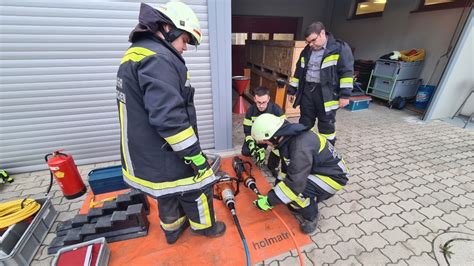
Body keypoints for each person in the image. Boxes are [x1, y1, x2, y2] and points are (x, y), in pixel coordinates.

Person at [115, 1, 225, 245]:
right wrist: (195, 156)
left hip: (149, 152)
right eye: (185, 40)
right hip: (166, 150)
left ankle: (172, 230)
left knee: (166, 191)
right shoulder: (160, 59)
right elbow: (169, 118)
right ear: (167, 28)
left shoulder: (136, 53)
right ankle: (206, 227)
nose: (184, 48)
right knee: (199, 185)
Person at [251, 114, 350, 234]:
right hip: (322, 170)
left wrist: (269, 201)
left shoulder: (300, 147)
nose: (267, 144)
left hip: (334, 177)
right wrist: (275, 190)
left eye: (266, 141)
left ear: (274, 136)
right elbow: (287, 169)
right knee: (288, 194)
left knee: (297, 193)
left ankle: (312, 216)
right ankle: (320, 194)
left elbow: (295, 185)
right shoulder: (287, 138)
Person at [287, 22, 354, 145]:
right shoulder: (307, 51)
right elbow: (298, 72)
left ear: (322, 33)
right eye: (308, 42)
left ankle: (328, 151)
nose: (311, 45)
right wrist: (292, 90)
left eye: (313, 40)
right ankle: (306, 146)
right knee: (305, 121)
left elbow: (346, 72)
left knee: (326, 123)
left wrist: (345, 95)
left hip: (327, 93)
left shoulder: (339, 48)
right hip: (307, 91)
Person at [242, 86, 285, 176]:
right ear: (254, 99)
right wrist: (252, 145)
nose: (261, 105)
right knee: (246, 151)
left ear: (268, 98)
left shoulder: (277, 110)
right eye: (258, 102)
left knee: (281, 146)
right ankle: (258, 151)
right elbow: (247, 130)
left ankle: (273, 166)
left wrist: (271, 142)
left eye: (264, 102)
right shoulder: (250, 111)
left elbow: (284, 129)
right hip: (256, 137)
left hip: (271, 138)